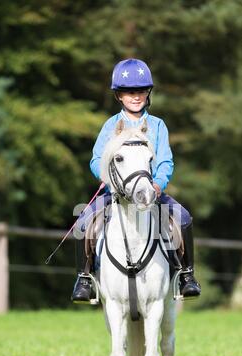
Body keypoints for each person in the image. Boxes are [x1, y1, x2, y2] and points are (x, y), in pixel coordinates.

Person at [71, 58, 201, 303]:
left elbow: (165, 161)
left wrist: (158, 184)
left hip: (151, 193)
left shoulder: (157, 126)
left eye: (141, 91)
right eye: (130, 92)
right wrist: (107, 179)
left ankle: (187, 276)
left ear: (148, 93)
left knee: (183, 218)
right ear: (119, 95)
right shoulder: (111, 126)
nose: (136, 96)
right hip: (117, 193)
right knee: (82, 224)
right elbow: (96, 159)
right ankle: (84, 278)